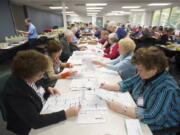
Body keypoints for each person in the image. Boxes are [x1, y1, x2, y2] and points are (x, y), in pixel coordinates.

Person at [100, 47, 180, 133]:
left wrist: (122, 109)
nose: (138, 72)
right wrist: (108, 86)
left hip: (159, 126)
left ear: (154, 69)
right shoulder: (146, 75)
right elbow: (128, 83)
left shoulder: (166, 88)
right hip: (139, 112)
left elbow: (152, 116)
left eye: (140, 70)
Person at [3, 50, 80, 135]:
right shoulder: (15, 93)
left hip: (42, 107)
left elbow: (41, 83)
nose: (42, 77)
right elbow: (35, 122)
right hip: (27, 124)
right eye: (40, 75)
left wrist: (47, 88)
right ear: (26, 76)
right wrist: (65, 114)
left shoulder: (31, 75)